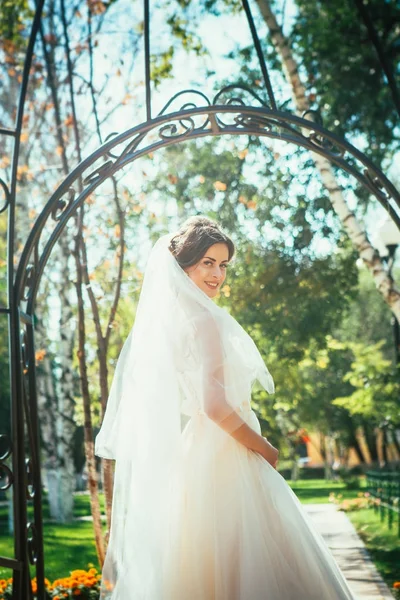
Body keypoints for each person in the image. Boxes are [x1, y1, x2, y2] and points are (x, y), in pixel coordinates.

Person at [95, 216, 354, 600]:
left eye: (223, 265)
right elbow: (215, 406)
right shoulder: (205, 321)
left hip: (197, 453)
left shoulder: (174, 323)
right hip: (227, 452)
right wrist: (262, 447)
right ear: (183, 266)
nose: (218, 274)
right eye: (207, 263)